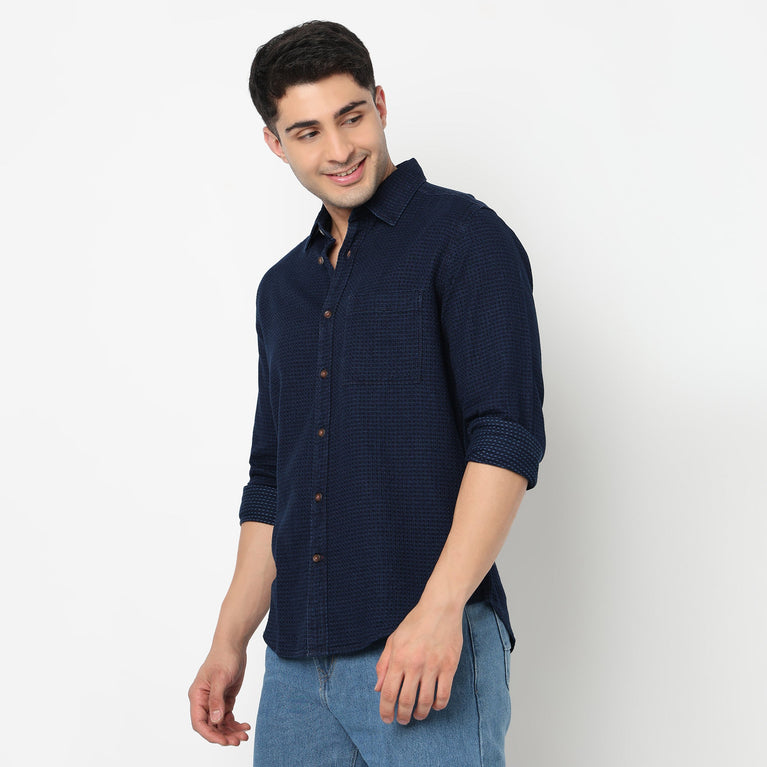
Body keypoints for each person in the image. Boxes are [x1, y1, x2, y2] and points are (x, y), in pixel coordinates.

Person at [188, 20, 545, 767]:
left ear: (379, 104)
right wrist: (229, 639)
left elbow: (505, 438)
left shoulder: (464, 238)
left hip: (423, 646)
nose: (339, 149)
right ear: (275, 142)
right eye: (307, 131)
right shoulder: (283, 289)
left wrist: (440, 610)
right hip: (294, 666)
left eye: (351, 116)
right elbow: (273, 480)